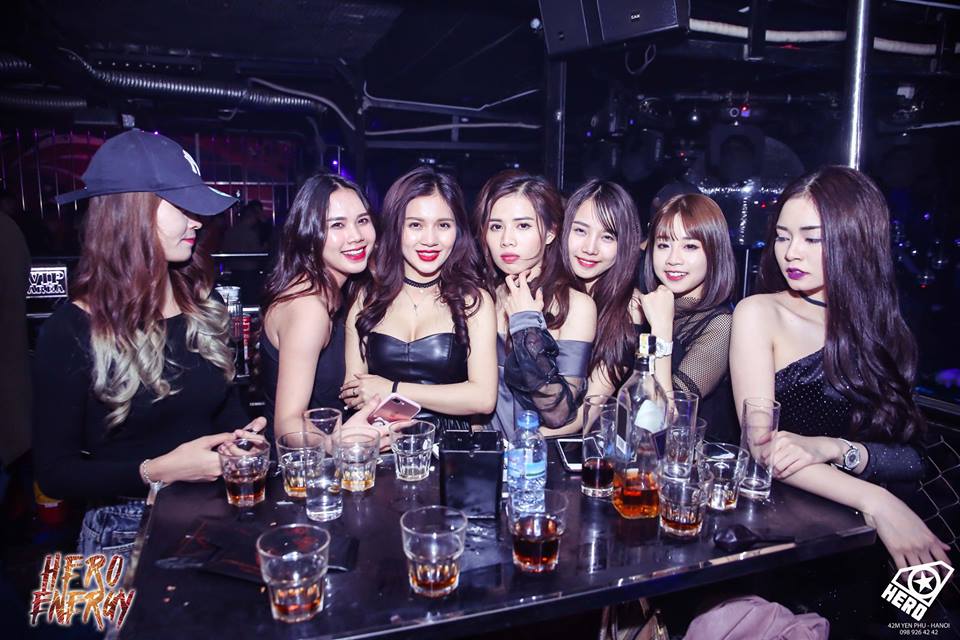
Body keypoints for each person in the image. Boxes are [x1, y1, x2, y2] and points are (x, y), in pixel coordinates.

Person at [33, 130, 266, 567]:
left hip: (215, 516)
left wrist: (243, 440)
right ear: (131, 213)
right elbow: (55, 473)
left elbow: (223, 411)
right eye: (182, 208)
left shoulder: (202, 304)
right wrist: (156, 471)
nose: (197, 222)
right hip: (123, 532)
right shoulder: (71, 329)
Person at [730, 165, 950, 568]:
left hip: (886, 531)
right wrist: (878, 502)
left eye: (812, 238)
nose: (791, 252)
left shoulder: (885, 326)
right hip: (796, 536)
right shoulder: (760, 313)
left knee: (927, 604)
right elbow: (762, 448)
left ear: (855, 239)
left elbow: (913, 457)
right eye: (782, 236)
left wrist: (836, 449)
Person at [341, 166, 497, 434]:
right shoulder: (366, 297)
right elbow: (355, 393)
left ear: (458, 231)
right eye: (415, 225)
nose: (430, 240)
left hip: (448, 446)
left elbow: (483, 398)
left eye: (443, 225)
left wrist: (392, 389)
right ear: (396, 228)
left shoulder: (473, 300)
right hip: (383, 441)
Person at [475, 170, 597, 439]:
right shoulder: (482, 298)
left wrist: (526, 324)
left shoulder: (577, 306)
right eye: (496, 227)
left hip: (539, 456)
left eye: (523, 226)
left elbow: (558, 413)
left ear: (551, 232)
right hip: (484, 456)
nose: (506, 240)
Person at [259, 174, 376, 443]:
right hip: (303, 465)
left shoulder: (337, 292)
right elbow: (288, 426)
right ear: (309, 233)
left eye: (362, 221)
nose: (356, 236)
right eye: (337, 225)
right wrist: (344, 443)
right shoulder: (308, 308)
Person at [638, 194, 739, 443]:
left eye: (690, 246)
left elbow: (665, 421)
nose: (673, 259)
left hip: (688, 461)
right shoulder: (653, 305)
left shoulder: (721, 324)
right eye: (663, 245)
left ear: (714, 252)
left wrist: (661, 329)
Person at [558, 179, 643, 434]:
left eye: (607, 236)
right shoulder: (547, 292)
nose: (590, 248)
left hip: (577, 444)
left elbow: (587, 412)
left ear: (624, 245)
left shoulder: (629, 308)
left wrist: (521, 438)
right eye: (580, 231)